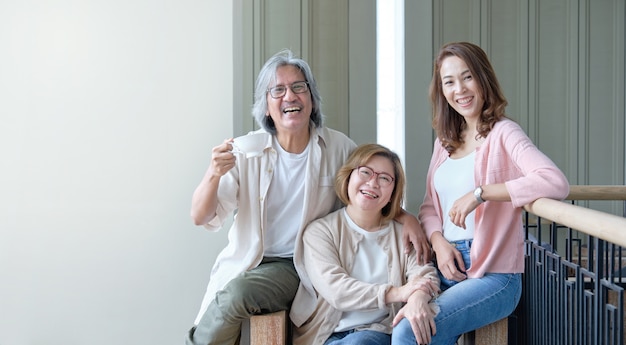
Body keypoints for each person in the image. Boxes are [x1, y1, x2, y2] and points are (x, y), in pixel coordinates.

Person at [186, 49, 430, 345]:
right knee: (232, 295)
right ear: (266, 107)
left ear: (311, 99)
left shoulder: (337, 146)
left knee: (238, 295)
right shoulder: (248, 149)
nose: (289, 96)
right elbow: (201, 216)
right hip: (248, 260)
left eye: (299, 87)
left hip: (299, 262)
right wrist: (213, 173)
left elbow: (370, 186)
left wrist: (406, 218)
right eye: (278, 90)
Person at [392, 42, 570, 345]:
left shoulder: (504, 133)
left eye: (467, 77)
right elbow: (429, 208)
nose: (459, 89)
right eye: (449, 82)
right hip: (445, 261)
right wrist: (439, 242)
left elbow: (555, 182)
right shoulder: (444, 142)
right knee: (406, 321)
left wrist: (481, 193)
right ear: (442, 91)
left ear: (483, 78)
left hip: (494, 276)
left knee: (410, 333)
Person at [290, 144, 440, 345]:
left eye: (384, 178)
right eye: (365, 172)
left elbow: (424, 273)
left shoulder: (404, 232)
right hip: (328, 335)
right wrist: (398, 292)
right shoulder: (319, 232)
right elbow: (336, 289)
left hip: (378, 332)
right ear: (348, 177)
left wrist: (417, 297)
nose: (373, 182)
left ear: (393, 193)